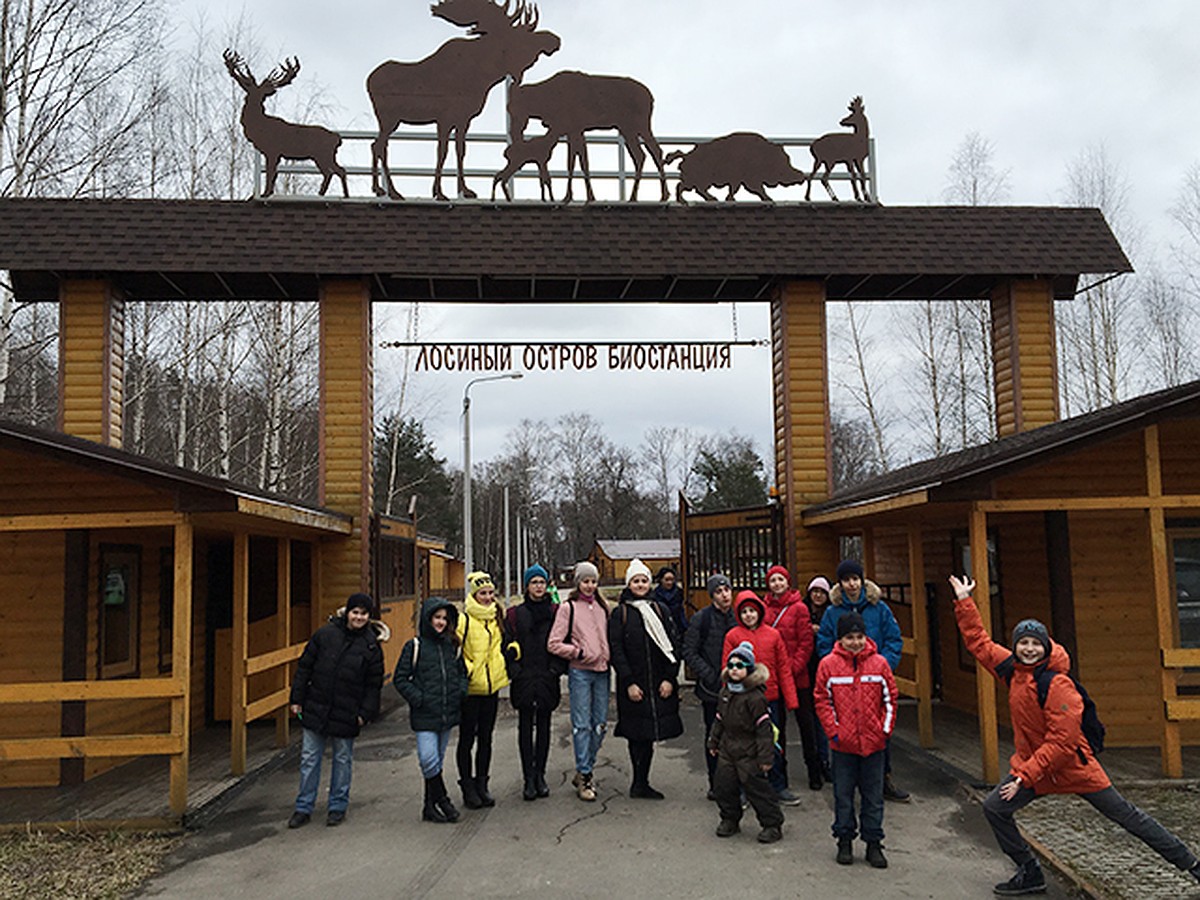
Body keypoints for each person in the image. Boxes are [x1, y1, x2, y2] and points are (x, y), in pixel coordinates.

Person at [949, 574, 1200, 896]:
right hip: (1034, 768)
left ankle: (1191, 864)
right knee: (995, 808)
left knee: (1128, 817)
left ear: (1046, 646)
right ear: (1016, 647)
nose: (1028, 648)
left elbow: (1063, 743)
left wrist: (1023, 777)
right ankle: (1029, 872)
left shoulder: (1057, 684)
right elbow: (979, 643)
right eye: (1023, 643)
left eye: (1035, 643)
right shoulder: (1013, 671)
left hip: (1073, 767)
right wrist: (963, 600)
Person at [287, 592, 386, 828]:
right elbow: (305, 667)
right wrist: (296, 698)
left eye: (363, 613)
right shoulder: (325, 635)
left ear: (368, 617)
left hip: (348, 710)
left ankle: (337, 806)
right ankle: (303, 806)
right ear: (348, 612)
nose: (359, 617)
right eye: (355, 612)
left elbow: (374, 685)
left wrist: (365, 713)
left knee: (342, 759)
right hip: (316, 704)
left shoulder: (371, 647)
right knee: (310, 758)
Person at [817, 559, 909, 803]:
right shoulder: (832, 611)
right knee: (845, 729)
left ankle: (883, 780)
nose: (851, 584)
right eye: (846, 579)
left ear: (862, 580)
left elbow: (893, 639)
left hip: (874, 679)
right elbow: (824, 643)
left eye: (855, 579)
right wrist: (836, 667)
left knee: (878, 730)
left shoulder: (879, 608)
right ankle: (846, 787)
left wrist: (882, 667)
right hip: (842, 682)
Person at [814, 612, 896, 869]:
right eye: (850, 637)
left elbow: (890, 699)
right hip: (843, 745)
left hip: (873, 744)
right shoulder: (828, 665)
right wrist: (834, 731)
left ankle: (873, 843)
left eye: (859, 636)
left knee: (873, 796)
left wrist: (884, 731)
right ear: (841, 639)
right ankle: (844, 840)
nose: (855, 642)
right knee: (843, 795)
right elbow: (822, 700)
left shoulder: (880, 663)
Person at [610, 558, 684, 799]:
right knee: (636, 733)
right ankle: (637, 781)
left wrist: (669, 679)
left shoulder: (659, 610)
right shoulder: (620, 613)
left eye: (643, 580)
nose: (640, 584)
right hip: (633, 684)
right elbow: (616, 649)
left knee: (650, 733)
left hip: (657, 682)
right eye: (635, 580)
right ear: (628, 583)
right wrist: (629, 681)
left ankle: (644, 781)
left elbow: (673, 645)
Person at [394, 596, 469, 823]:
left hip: (446, 712)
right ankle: (443, 799)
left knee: (436, 760)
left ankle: (429, 806)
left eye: (445, 619)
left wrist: (459, 692)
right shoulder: (414, 646)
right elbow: (400, 678)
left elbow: (462, 673)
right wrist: (419, 698)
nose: (441, 623)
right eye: (437, 617)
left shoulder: (452, 646)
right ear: (428, 619)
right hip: (425, 713)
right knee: (428, 759)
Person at [722, 590, 800, 805]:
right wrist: (727, 697)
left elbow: (783, 667)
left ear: (759, 612)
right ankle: (745, 789)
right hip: (743, 701)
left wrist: (791, 698)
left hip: (771, 698)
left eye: (752, 611)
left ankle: (778, 785)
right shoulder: (733, 636)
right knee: (745, 746)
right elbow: (727, 668)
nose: (749, 615)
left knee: (774, 743)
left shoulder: (773, 635)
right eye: (744, 611)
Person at [708, 640, 784, 844]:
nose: (734, 670)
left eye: (739, 666)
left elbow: (764, 730)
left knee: (757, 789)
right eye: (731, 665)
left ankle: (771, 823)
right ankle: (729, 819)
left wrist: (765, 757)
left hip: (749, 750)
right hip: (727, 748)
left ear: (749, 670)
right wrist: (713, 742)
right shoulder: (725, 692)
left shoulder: (755, 697)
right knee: (724, 786)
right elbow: (719, 719)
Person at [548, 560, 611, 802]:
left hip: (603, 671)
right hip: (581, 672)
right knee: (582, 725)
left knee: (600, 724)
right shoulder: (568, 608)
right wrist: (577, 652)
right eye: (585, 581)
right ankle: (585, 773)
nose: (590, 585)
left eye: (593, 581)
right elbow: (553, 643)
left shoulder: (603, 607)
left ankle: (585, 765)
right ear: (578, 582)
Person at [505, 563, 562, 801]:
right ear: (527, 586)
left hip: (547, 676)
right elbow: (507, 643)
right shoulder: (515, 614)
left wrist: (556, 670)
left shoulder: (556, 611)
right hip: (525, 677)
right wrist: (515, 670)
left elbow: (563, 639)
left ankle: (540, 774)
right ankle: (528, 776)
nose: (538, 587)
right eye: (533, 583)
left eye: (541, 582)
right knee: (525, 728)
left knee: (545, 728)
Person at [762, 564, 821, 792]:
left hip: (798, 676)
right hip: (774, 677)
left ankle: (814, 769)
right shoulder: (764, 608)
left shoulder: (799, 608)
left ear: (787, 582)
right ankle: (779, 774)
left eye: (780, 580)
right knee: (777, 728)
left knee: (807, 725)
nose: (777, 584)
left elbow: (806, 642)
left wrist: (793, 668)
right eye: (773, 580)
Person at [456, 570, 509, 809]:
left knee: (486, 739)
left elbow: (502, 645)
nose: (487, 598)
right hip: (470, 689)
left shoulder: (497, 618)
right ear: (473, 595)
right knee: (467, 739)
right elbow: (454, 649)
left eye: (490, 593)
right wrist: (468, 669)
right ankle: (467, 787)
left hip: (492, 687)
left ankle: (482, 784)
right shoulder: (463, 620)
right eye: (483, 593)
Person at [682, 572, 738, 800]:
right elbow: (689, 651)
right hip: (712, 690)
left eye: (726, 590)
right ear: (712, 595)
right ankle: (716, 784)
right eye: (718, 591)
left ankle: (738, 783)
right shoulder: (702, 619)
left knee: (739, 737)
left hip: (738, 688)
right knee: (714, 737)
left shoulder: (740, 616)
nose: (724, 595)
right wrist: (709, 674)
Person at [804, 575, 834, 783]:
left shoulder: (831, 614)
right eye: (815, 591)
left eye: (822, 592)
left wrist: (820, 632)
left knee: (824, 720)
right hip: (806, 670)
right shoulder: (802, 611)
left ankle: (825, 762)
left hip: (826, 672)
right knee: (809, 721)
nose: (818, 595)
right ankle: (814, 764)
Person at [653, 564, 689, 636]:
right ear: (661, 580)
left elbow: (681, 611)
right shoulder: (655, 594)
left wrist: (686, 627)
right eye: (666, 580)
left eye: (672, 580)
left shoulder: (678, 592)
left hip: (678, 626)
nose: (670, 582)